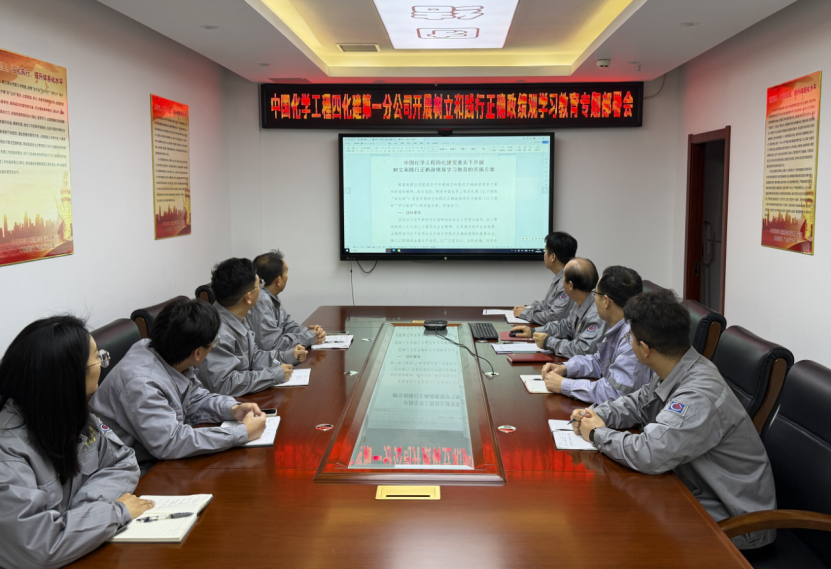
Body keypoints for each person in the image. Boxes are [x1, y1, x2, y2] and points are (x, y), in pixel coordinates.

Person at [570, 290, 776, 550]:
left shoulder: (697, 395)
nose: (629, 343)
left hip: (736, 522)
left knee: (618, 532)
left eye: (631, 338)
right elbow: (640, 403)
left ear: (645, 349)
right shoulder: (676, 363)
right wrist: (599, 414)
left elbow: (650, 453)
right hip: (691, 487)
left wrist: (596, 433)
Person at [0, 315, 155, 568]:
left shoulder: (72, 415)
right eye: (98, 358)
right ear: (68, 377)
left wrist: (85, 510)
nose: (103, 364)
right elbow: (38, 548)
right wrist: (113, 512)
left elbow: (123, 462)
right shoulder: (7, 453)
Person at [90, 299, 268, 474]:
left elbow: (194, 399)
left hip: (155, 456)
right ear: (197, 353)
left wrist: (232, 409)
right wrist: (241, 433)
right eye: (214, 342)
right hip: (128, 470)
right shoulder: (141, 384)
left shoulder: (166, 353)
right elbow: (170, 442)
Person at [540, 265, 651, 403]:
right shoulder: (620, 326)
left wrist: (564, 385)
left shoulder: (632, 338)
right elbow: (600, 362)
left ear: (606, 301)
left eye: (595, 294)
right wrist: (565, 368)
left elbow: (616, 393)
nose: (593, 299)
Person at [197, 257, 298, 396]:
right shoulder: (216, 332)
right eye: (259, 284)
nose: (262, 289)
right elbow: (225, 384)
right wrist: (272, 375)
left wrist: (288, 356)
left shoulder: (238, 316)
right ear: (248, 297)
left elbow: (254, 357)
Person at [511, 258, 607, 357]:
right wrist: (533, 332)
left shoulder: (597, 313)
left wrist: (548, 342)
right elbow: (565, 327)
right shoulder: (581, 300)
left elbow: (583, 350)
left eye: (563, 278)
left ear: (570, 285)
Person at [247, 249, 326, 353]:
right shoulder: (261, 300)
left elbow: (286, 325)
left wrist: (309, 332)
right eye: (286, 272)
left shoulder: (270, 296)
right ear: (278, 280)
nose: (287, 277)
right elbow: (272, 345)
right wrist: (308, 337)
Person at [513, 231, 577, 325]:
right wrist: (528, 308)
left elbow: (554, 317)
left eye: (545, 251)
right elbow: (547, 305)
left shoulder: (566, 282)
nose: (544, 254)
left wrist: (526, 313)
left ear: (553, 257)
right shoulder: (561, 277)